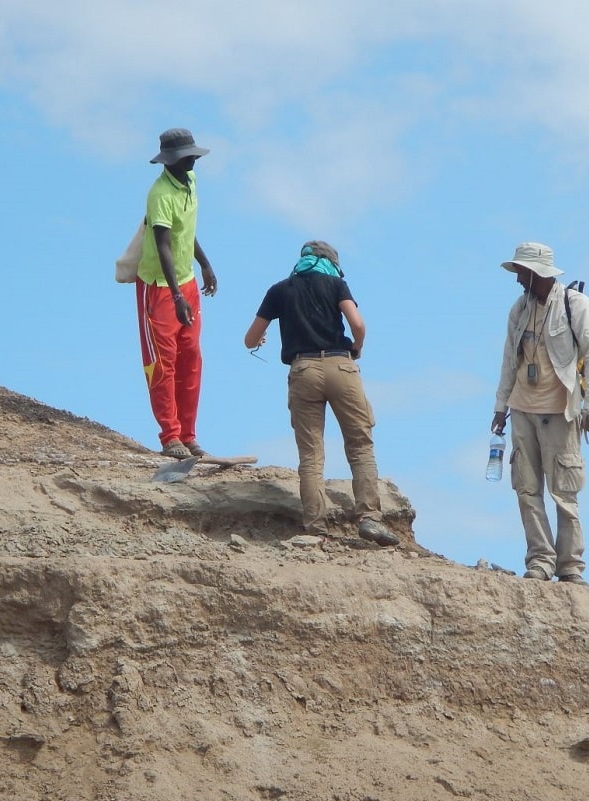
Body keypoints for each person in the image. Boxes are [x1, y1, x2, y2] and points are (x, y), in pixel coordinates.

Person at [244, 241, 399, 547]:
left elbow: (250, 339)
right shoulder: (336, 283)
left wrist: (260, 338)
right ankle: (368, 517)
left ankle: (315, 527)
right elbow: (357, 324)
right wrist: (357, 348)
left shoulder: (280, 289)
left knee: (311, 453)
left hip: (303, 370)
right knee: (359, 443)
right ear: (331, 261)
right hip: (341, 366)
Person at [491, 242, 589, 585]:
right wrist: (500, 406)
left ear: (536, 273)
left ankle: (569, 566)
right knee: (526, 489)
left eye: (522, 273)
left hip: (561, 412)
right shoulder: (518, 310)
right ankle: (540, 561)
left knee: (564, 492)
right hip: (523, 410)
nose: (517, 280)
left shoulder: (575, 305)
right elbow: (509, 360)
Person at [135, 127, 218, 459]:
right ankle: (170, 436)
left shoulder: (190, 182)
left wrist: (205, 264)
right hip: (159, 287)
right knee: (162, 364)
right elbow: (164, 246)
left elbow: (188, 232)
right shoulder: (160, 195)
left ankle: (188, 433)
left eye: (194, 154)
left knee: (191, 359)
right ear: (170, 161)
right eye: (187, 156)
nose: (194, 160)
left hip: (185, 282)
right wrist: (177, 296)